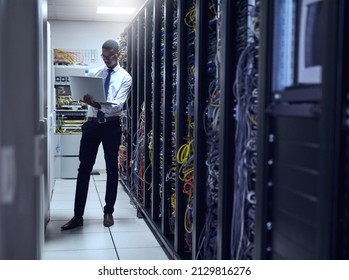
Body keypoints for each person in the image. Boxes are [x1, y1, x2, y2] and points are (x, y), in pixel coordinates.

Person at [61, 40, 132, 230]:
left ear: (119, 55)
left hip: (111, 126)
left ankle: (108, 211)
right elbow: (83, 95)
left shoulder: (125, 77)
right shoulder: (93, 73)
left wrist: (97, 105)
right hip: (92, 125)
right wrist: (85, 100)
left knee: (112, 169)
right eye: (104, 56)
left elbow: (118, 105)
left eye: (110, 56)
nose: (107, 59)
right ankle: (78, 215)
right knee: (84, 168)